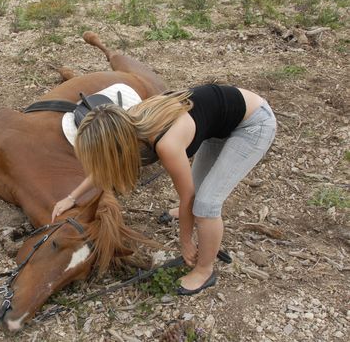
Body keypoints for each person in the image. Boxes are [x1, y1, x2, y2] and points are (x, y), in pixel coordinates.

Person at [51, 84, 276, 295]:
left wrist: (186, 240)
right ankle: (186, 216)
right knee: (195, 199)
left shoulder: (166, 143)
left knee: (205, 205)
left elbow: (187, 196)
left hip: (253, 124)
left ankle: (204, 270)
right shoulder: (126, 123)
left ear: (115, 143)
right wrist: (72, 197)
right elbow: (107, 167)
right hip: (219, 126)